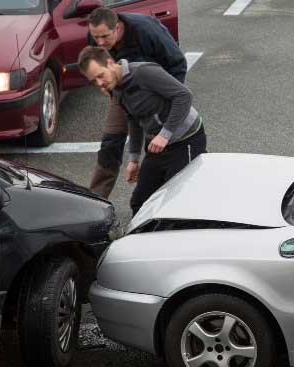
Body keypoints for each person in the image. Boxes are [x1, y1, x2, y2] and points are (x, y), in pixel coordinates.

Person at [78, 46, 206, 214]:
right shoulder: (116, 87)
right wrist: (134, 159)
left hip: (186, 139)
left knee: (176, 200)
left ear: (110, 63)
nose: (100, 83)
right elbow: (134, 119)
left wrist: (164, 134)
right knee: (140, 201)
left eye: (100, 76)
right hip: (158, 145)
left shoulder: (143, 72)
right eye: (94, 81)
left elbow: (184, 96)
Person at [86, 7, 187, 198]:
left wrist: (166, 103)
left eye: (104, 37)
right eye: (95, 37)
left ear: (117, 27)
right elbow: (97, 65)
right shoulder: (95, 37)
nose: (99, 43)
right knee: (110, 144)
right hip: (121, 92)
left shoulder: (146, 31)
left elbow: (178, 64)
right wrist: (109, 90)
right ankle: (96, 201)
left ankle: (163, 199)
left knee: (157, 146)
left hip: (156, 91)